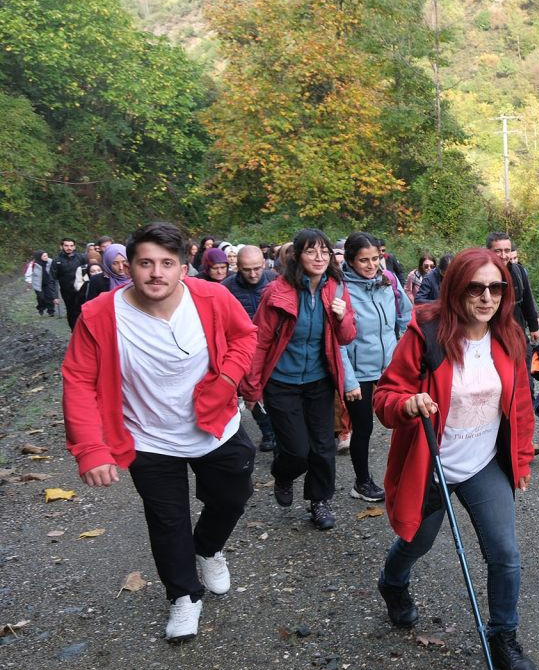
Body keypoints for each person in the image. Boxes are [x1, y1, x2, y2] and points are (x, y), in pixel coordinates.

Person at [62, 222, 257, 642]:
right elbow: (78, 380)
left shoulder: (212, 298)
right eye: (145, 263)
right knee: (167, 522)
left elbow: (245, 337)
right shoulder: (100, 314)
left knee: (233, 497)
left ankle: (207, 548)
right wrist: (91, 449)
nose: (156, 273)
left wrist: (227, 378)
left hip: (216, 427)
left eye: (167, 263)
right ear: (128, 267)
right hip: (148, 439)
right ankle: (184, 597)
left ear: (184, 269)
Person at [372, 247, 537, 670]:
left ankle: (503, 636)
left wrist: (520, 461)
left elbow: (520, 405)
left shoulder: (509, 337)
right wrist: (406, 403)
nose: (486, 297)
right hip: (432, 465)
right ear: (455, 290)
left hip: (484, 465)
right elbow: (384, 396)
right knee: (416, 542)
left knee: (505, 553)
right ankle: (392, 581)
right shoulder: (427, 334)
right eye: (475, 288)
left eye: (496, 287)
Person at [241, 229, 356, 531]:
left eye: (324, 252)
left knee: (323, 447)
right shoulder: (277, 292)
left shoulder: (338, 289)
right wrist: (251, 386)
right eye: (310, 251)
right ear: (298, 256)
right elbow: (260, 342)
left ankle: (319, 501)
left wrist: (342, 317)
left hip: (320, 380)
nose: (319, 257)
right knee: (295, 450)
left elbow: (347, 337)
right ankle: (283, 473)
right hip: (282, 382)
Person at [340, 232, 412, 502]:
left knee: (405, 419)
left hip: (390, 367)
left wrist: (404, 344)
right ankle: (362, 482)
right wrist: (349, 382)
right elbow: (338, 341)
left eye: (375, 258)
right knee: (364, 428)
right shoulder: (341, 289)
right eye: (364, 261)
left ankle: (409, 474)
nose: (371, 266)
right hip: (359, 373)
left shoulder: (388, 281)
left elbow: (406, 312)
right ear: (350, 260)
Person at [223, 244, 279, 453]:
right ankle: (268, 432)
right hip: (244, 349)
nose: (253, 274)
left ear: (264, 264)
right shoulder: (226, 288)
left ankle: (280, 430)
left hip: (273, 347)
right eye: (247, 269)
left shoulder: (276, 281)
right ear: (237, 267)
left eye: (257, 268)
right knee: (251, 391)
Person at [485, 233, 539, 345]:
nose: (503, 255)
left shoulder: (518, 271)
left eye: (507, 250)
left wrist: (533, 326)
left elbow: (527, 300)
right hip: (491, 332)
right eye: (498, 251)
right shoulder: (481, 273)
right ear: (488, 251)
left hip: (516, 329)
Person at [49, 238, 88, 330]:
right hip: (67, 292)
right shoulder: (57, 261)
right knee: (71, 311)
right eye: (66, 246)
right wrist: (54, 296)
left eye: (71, 246)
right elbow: (52, 279)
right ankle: (74, 331)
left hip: (82, 290)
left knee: (84, 310)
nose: (69, 248)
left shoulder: (81, 258)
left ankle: (85, 330)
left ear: (74, 247)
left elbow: (88, 271)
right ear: (61, 246)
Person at [25, 251, 58, 316]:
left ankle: (51, 311)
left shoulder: (50, 262)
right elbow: (28, 274)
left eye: (47, 255)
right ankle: (41, 308)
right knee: (41, 297)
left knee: (50, 297)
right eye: (44, 256)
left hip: (48, 283)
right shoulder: (33, 264)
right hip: (38, 284)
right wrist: (29, 282)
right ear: (39, 257)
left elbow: (56, 268)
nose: (47, 257)